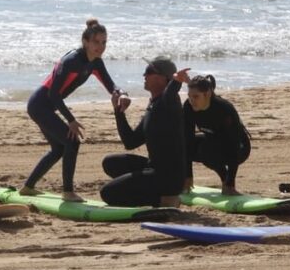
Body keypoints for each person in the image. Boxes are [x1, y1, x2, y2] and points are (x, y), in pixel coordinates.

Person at [21, 19, 123, 202]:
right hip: (39, 105)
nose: (101, 46)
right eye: (96, 42)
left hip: (47, 107)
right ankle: (67, 192)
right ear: (85, 42)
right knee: (72, 142)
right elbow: (53, 94)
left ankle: (28, 187)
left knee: (59, 148)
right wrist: (71, 120)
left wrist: (121, 94)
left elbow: (110, 84)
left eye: (104, 42)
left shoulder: (95, 62)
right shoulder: (72, 61)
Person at [100, 56, 187, 208]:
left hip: (169, 177)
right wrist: (119, 112)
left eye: (149, 71)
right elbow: (130, 141)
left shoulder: (169, 103)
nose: (144, 75)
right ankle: (156, 194)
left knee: (108, 193)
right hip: (154, 168)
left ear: (162, 79)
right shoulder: (153, 105)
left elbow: (170, 93)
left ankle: (164, 200)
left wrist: (176, 81)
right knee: (110, 163)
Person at [176, 71, 251, 195]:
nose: (191, 100)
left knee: (206, 149)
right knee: (181, 144)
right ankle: (222, 179)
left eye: (195, 97)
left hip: (239, 148)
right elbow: (187, 140)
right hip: (211, 141)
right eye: (189, 96)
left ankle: (226, 183)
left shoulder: (224, 109)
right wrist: (188, 176)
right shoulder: (188, 107)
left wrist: (230, 183)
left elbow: (233, 145)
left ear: (207, 94)